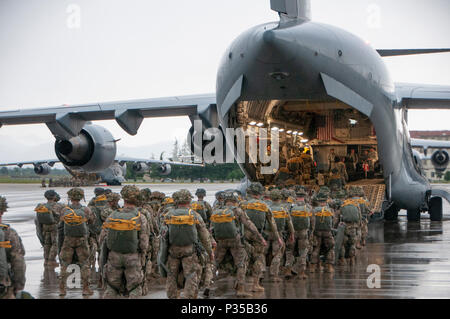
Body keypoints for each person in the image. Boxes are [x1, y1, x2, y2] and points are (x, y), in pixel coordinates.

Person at [160, 189, 213, 299]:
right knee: (190, 276)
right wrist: (209, 252)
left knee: (171, 277)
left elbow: (163, 236)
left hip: (173, 252)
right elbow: (204, 236)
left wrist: (162, 255)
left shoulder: (168, 215)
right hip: (189, 252)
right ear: (189, 200)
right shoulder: (194, 215)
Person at [211, 191, 266, 297]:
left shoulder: (216, 211)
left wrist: (213, 241)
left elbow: (211, 228)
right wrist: (260, 237)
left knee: (215, 263)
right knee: (241, 263)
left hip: (220, 240)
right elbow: (249, 224)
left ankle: (208, 285)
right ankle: (240, 289)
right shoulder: (238, 210)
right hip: (235, 241)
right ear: (235, 200)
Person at [100, 185, 149, 298]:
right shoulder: (140, 217)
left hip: (114, 256)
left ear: (124, 199)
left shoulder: (113, 215)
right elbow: (144, 241)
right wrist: (143, 255)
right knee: (135, 287)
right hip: (133, 257)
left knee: (112, 287)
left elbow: (102, 237)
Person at [241, 182, 281, 292]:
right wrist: (278, 238)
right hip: (257, 235)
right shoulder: (265, 206)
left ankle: (241, 284)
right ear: (260, 193)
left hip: (244, 233)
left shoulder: (243, 204)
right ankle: (255, 284)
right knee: (258, 258)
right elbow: (272, 224)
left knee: (244, 258)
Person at [58, 188, 95, 296]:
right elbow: (92, 221)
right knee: (84, 264)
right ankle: (85, 288)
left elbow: (60, 224)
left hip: (68, 240)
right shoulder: (86, 210)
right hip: (82, 240)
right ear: (81, 197)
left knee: (65, 264)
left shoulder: (65, 210)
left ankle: (62, 288)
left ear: (70, 197)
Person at [0, 196, 26, 299]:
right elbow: (18, 261)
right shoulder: (9, 233)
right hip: (3, 286)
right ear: (2, 212)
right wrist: (18, 285)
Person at [267, 190, 294, 282]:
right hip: (278, 234)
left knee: (261, 254)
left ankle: (261, 274)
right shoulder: (284, 209)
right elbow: (289, 223)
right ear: (280, 198)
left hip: (266, 234)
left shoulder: (266, 208)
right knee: (278, 254)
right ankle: (274, 275)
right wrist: (292, 233)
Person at [286, 187, 313, 279]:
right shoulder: (308, 207)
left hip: (292, 232)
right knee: (303, 252)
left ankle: (288, 270)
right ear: (304, 197)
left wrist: (289, 231)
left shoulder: (290, 207)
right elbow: (312, 221)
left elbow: (287, 219)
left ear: (296, 196)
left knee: (290, 251)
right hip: (303, 232)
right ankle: (301, 272)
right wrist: (311, 232)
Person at [34, 190, 63, 267]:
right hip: (54, 227)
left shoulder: (42, 206)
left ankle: (46, 260)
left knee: (47, 244)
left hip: (44, 227)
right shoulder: (59, 206)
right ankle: (51, 260)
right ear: (54, 197)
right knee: (55, 244)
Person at [334, 192, 361, 266]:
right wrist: (359, 227)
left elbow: (338, 217)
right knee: (352, 244)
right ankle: (352, 259)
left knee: (343, 243)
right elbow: (359, 216)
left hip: (345, 227)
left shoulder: (343, 205)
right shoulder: (356, 205)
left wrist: (335, 226)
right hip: (354, 227)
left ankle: (342, 259)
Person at [310, 192, 335, 273]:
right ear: (325, 202)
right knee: (330, 249)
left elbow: (311, 222)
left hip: (317, 233)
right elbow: (333, 222)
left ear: (318, 202)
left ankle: (313, 267)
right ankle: (329, 267)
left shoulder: (314, 210)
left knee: (316, 249)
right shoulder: (330, 210)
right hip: (327, 233)